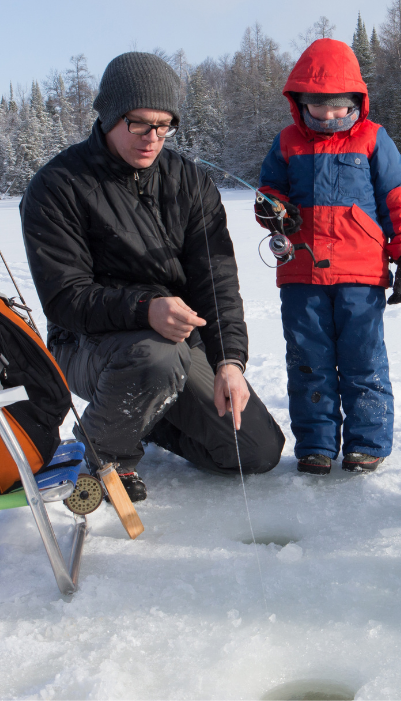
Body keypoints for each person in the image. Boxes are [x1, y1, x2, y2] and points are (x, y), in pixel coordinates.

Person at [20, 51, 285, 501]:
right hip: (86, 346)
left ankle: (145, 415)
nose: (153, 138)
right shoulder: (58, 186)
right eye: (139, 124)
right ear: (108, 116)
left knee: (257, 451)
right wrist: (145, 308)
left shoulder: (191, 183)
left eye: (164, 125)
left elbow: (216, 282)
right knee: (156, 355)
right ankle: (108, 459)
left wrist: (229, 362)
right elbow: (66, 297)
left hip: (178, 347)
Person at [255, 38, 401, 475]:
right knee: (308, 362)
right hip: (301, 274)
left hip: (360, 275)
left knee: (363, 362)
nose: (329, 116)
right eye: (318, 107)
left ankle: (367, 443)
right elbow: (269, 193)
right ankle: (316, 445)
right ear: (301, 103)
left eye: (339, 108)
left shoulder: (373, 138)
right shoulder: (287, 141)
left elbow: (396, 201)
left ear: (356, 102)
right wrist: (271, 208)